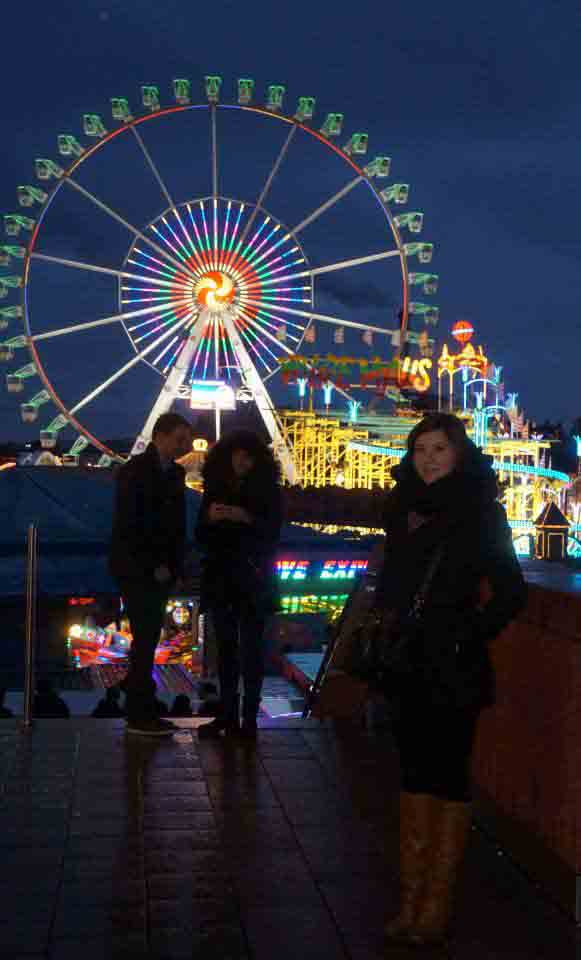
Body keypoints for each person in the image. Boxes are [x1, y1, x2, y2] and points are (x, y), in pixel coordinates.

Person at [377, 413, 526, 948]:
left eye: (439, 448)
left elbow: (511, 590)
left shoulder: (480, 512)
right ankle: (410, 901)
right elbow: (393, 581)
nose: (429, 459)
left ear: (459, 453)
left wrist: (469, 633)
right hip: (406, 661)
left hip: (455, 663)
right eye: (420, 449)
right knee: (413, 773)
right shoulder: (402, 507)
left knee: (448, 775)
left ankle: (435, 906)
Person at [109, 412, 193, 737]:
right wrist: (154, 563)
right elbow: (133, 523)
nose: (186, 446)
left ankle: (141, 704)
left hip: (162, 568)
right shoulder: (134, 471)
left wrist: (174, 565)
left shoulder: (176, 473)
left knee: (148, 637)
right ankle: (139, 711)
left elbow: (176, 524)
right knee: (145, 638)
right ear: (160, 436)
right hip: (138, 568)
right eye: (180, 439)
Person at [195, 430, 283, 740]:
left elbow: (273, 534)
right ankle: (228, 716)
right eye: (237, 456)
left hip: (252, 580)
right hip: (222, 578)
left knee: (251, 651)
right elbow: (199, 536)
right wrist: (210, 518)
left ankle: (249, 720)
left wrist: (247, 518)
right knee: (226, 651)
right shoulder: (214, 490)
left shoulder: (270, 494)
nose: (242, 462)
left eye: (248, 457)